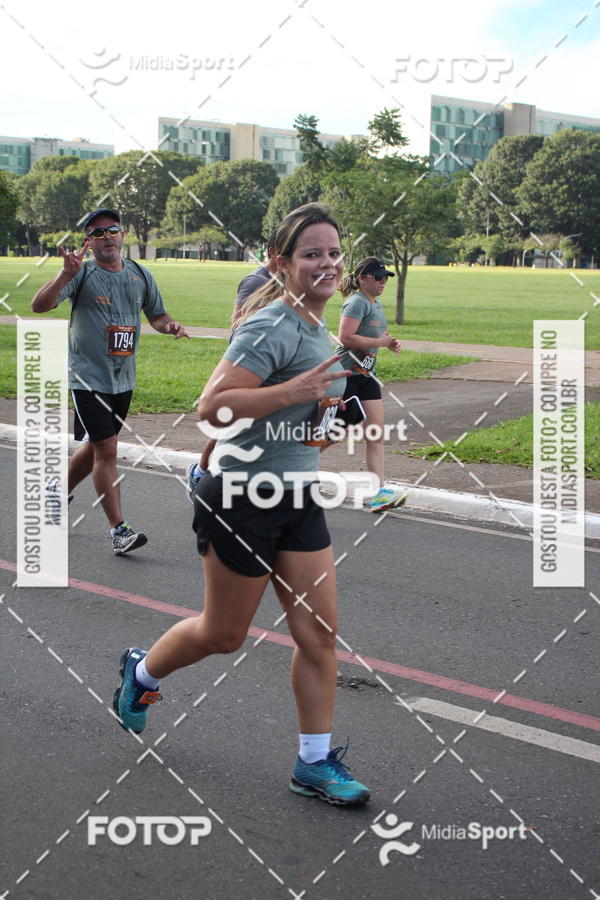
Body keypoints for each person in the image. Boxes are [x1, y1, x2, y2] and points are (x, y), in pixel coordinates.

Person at [114, 203, 371, 807]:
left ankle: (313, 763)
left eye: (334, 252)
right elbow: (212, 408)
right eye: (312, 254)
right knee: (224, 635)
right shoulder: (272, 327)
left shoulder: (321, 333)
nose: (327, 263)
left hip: (298, 495)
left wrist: (328, 423)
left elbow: (302, 431)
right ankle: (142, 673)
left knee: (320, 634)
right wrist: (294, 390)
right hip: (238, 497)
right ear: (283, 264)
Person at [31, 208, 188, 555]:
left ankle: (54, 493)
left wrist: (170, 326)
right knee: (107, 448)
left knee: (96, 446)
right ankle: (119, 530)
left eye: (112, 230)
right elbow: (39, 305)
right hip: (87, 377)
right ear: (89, 242)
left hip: (123, 379)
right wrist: (62, 274)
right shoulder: (81, 274)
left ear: (121, 235)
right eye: (97, 233)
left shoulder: (139, 274)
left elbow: (157, 315)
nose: (107, 237)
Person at [185, 231, 281, 500]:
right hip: (247, 365)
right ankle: (200, 472)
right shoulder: (256, 281)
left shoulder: (286, 282)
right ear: (273, 252)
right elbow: (237, 323)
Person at [336, 257, 406, 512]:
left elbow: (374, 337)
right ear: (363, 278)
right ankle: (293, 471)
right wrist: (380, 343)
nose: (382, 282)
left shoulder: (376, 304)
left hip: (367, 376)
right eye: (377, 277)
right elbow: (345, 337)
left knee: (374, 434)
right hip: (347, 376)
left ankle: (378, 493)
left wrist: (390, 342)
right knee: (333, 433)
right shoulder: (355, 302)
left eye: (385, 278)